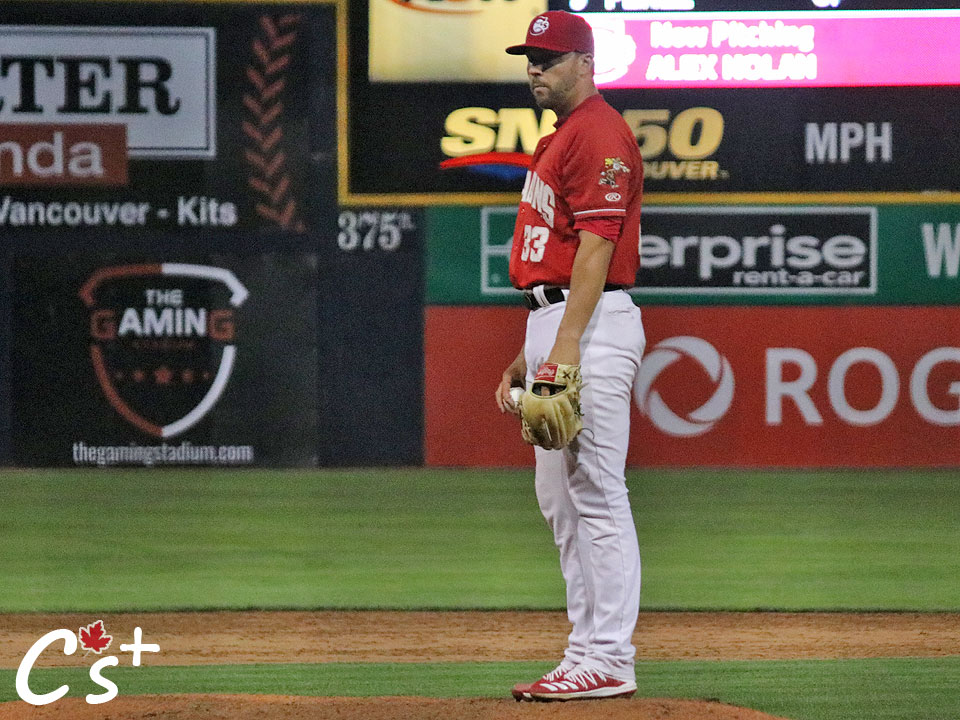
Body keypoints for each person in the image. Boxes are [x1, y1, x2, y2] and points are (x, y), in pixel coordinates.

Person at [494, 10, 646, 702]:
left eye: (550, 58)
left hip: (592, 325)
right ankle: (583, 652)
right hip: (558, 320)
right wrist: (532, 353)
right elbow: (557, 258)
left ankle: (609, 656)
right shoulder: (565, 136)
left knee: (597, 494)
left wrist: (561, 348)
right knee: (561, 502)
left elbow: (596, 250)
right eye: (530, 57)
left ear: (586, 63)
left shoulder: (599, 133)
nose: (536, 68)